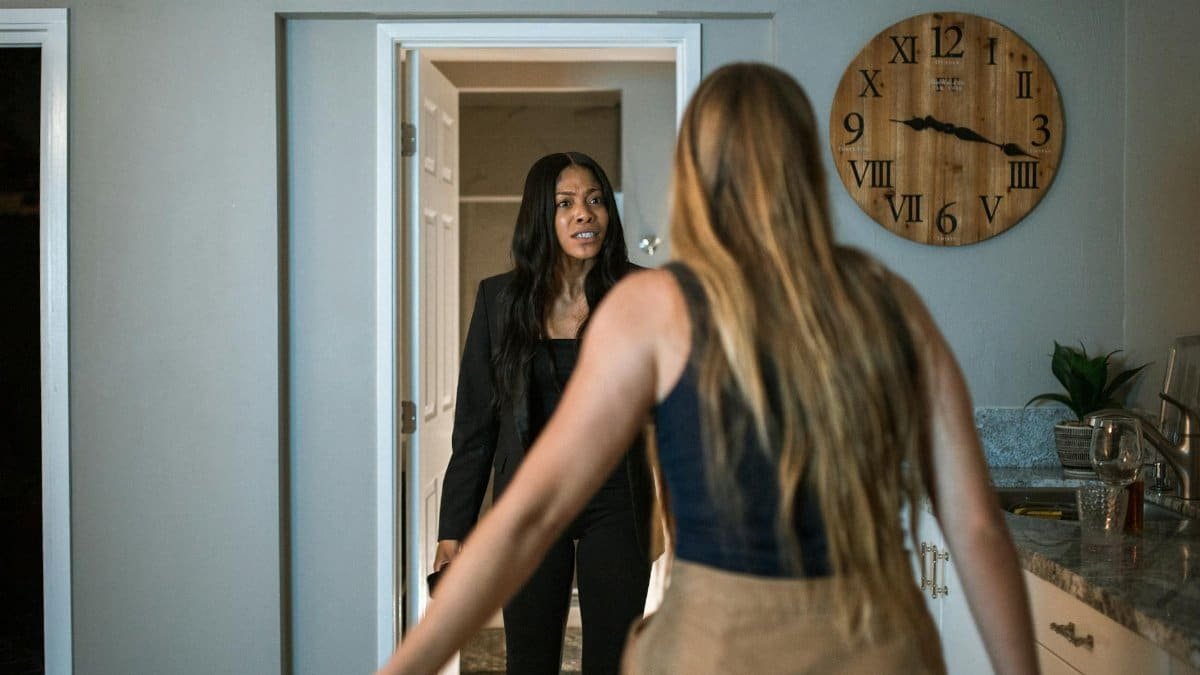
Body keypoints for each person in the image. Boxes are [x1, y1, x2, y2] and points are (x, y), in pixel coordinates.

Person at [381, 64, 1038, 675]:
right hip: (884, 641)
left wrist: (407, 664)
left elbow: (532, 514)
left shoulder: (652, 305)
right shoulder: (890, 299)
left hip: (718, 646)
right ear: (808, 164)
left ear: (694, 171)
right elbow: (977, 527)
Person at [434, 151, 653, 674]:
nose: (585, 213)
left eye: (596, 200)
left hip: (617, 502)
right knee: (529, 661)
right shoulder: (499, 301)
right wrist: (453, 530)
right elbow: (475, 429)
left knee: (616, 662)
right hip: (530, 507)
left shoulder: (642, 292)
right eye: (566, 203)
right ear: (541, 217)